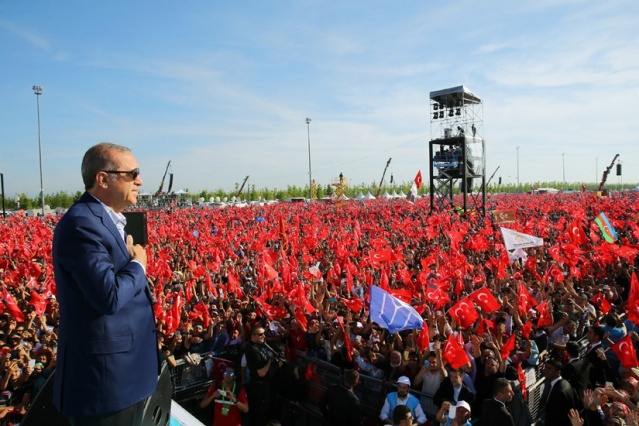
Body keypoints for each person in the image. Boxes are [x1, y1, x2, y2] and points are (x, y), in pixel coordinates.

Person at [52, 142, 159, 425]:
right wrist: (138, 264)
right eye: (132, 173)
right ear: (102, 179)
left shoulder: (105, 220)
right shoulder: (82, 223)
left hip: (124, 375)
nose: (140, 180)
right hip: (104, 384)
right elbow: (108, 296)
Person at [244, 325, 280, 426]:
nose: (263, 336)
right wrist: (270, 360)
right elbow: (261, 372)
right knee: (259, 415)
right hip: (259, 388)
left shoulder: (260, 345)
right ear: (253, 336)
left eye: (264, 333)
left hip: (264, 386)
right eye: (260, 334)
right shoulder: (252, 349)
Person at [538, 358, 576, 426]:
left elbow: (557, 415)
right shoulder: (563, 383)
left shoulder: (559, 392)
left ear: (558, 372)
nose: (545, 370)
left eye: (549, 369)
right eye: (545, 367)